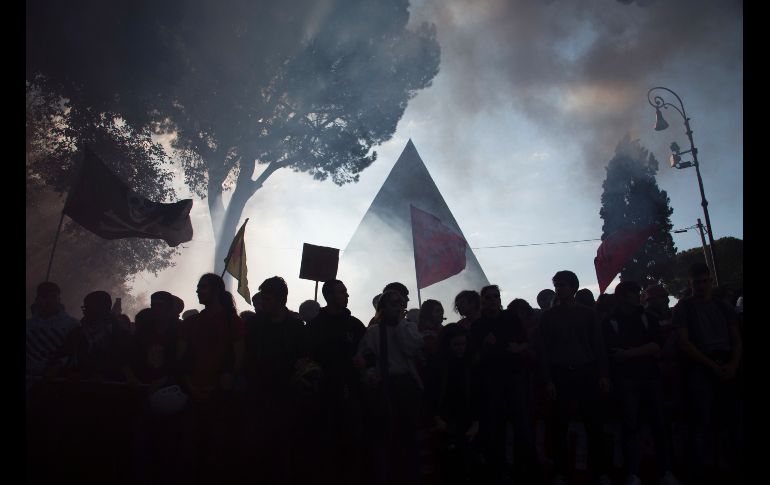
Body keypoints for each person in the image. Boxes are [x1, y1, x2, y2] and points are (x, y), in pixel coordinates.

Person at [602, 281, 682, 485]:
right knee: (634, 426)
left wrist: (628, 353)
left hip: (644, 377)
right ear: (623, 296)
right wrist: (640, 351)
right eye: (634, 293)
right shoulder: (611, 320)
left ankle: (658, 471)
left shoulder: (646, 317)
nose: (638, 296)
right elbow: (615, 353)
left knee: (654, 426)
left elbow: (655, 346)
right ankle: (638, 472)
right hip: (631, 379)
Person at [537, 271, 611, 485]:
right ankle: (561, 472)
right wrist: (548, 379)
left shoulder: (589, 314)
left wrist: (603, 374)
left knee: (594, 425)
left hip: (586, 372)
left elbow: (599, 346)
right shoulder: (548, 317)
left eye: (563, 285)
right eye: (557, 285)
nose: (559, 289)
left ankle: (600, 472)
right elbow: (544, 351)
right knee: (559, 425)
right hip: (560, 373)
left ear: (573, 287)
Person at [672, 263, 743, 484]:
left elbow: (736, 338)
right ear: (690, 284)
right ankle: (700, 472)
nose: (702, 286)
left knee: (733, 422)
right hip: (700, 368)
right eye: (697, 283)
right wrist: (712, 365)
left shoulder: (723, 306)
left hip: (725, 364)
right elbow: (684, 342)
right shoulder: (684, 307)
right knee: (700, 424)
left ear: (710, 281)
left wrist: (733, 364)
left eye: (705, 281)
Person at [176, 274, 245, 484]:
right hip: (192, 392)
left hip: (219, 395)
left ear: (216, 290)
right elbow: (181, 359)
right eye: (198, 287)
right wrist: (190, 385)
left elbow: (239, 358)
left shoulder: (233, 322)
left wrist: (219, 383)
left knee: (216, 449)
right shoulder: (192, 323)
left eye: (203, 287)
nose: (198, 291)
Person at [242, 276, 307, 485]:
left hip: (287, 398)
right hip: (258, 396)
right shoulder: (254, 326)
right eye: (262, 299)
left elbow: (305, 358)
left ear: (281, 300)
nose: (262, 304)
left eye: (268, 300)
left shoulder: (297, 329)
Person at [471, 285, 537, 484]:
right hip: (490, 382)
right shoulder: (477, 326)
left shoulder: (511, 318)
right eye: (488, 297)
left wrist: (518, 348)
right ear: (482, 300)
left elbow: (525, 342)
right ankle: (499, 471)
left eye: (496, 296)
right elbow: (473, 356)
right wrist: (485, 347)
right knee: (495, 428)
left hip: (514, 377)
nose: (493, 300)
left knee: (522, 427)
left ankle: (524, 471)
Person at [358, 289, 424, 485]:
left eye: (400, 303)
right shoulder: (373, 333)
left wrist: (400, 324)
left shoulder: (409, 327)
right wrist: (370, 375)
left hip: (405, 385)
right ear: (383, 307)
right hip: (384, 386)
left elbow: (410, 347)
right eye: (393, 303)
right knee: (386, 436)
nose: (398, 306)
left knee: (409, 435)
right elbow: (366, 358)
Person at [305, 279, 367, 485]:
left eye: (346, 292)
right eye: (342, 292)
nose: (346, 296)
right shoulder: (315, 327)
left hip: (351, 392)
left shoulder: (355, 325)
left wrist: (364, 361)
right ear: (329, 296)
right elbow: (307, 357)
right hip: (323, 395)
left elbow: (369, 352)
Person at [426, 323, 482, 485]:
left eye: (462, 344)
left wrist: (476, 421)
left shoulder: (470, 363)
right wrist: (436, 418)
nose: (460, 348)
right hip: (446, 420)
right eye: (456, 345)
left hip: (465, 419)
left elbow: (478, 394)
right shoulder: (438, 365)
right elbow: (431, 394)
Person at [26, 282, 79, 379]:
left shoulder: (72, 325)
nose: (49, 301)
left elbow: (74, 353)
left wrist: (58, 365)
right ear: (37, 300)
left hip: (58, 379)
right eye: (44, 297)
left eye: (53, 297)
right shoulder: (28, 325)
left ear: (59, 300)